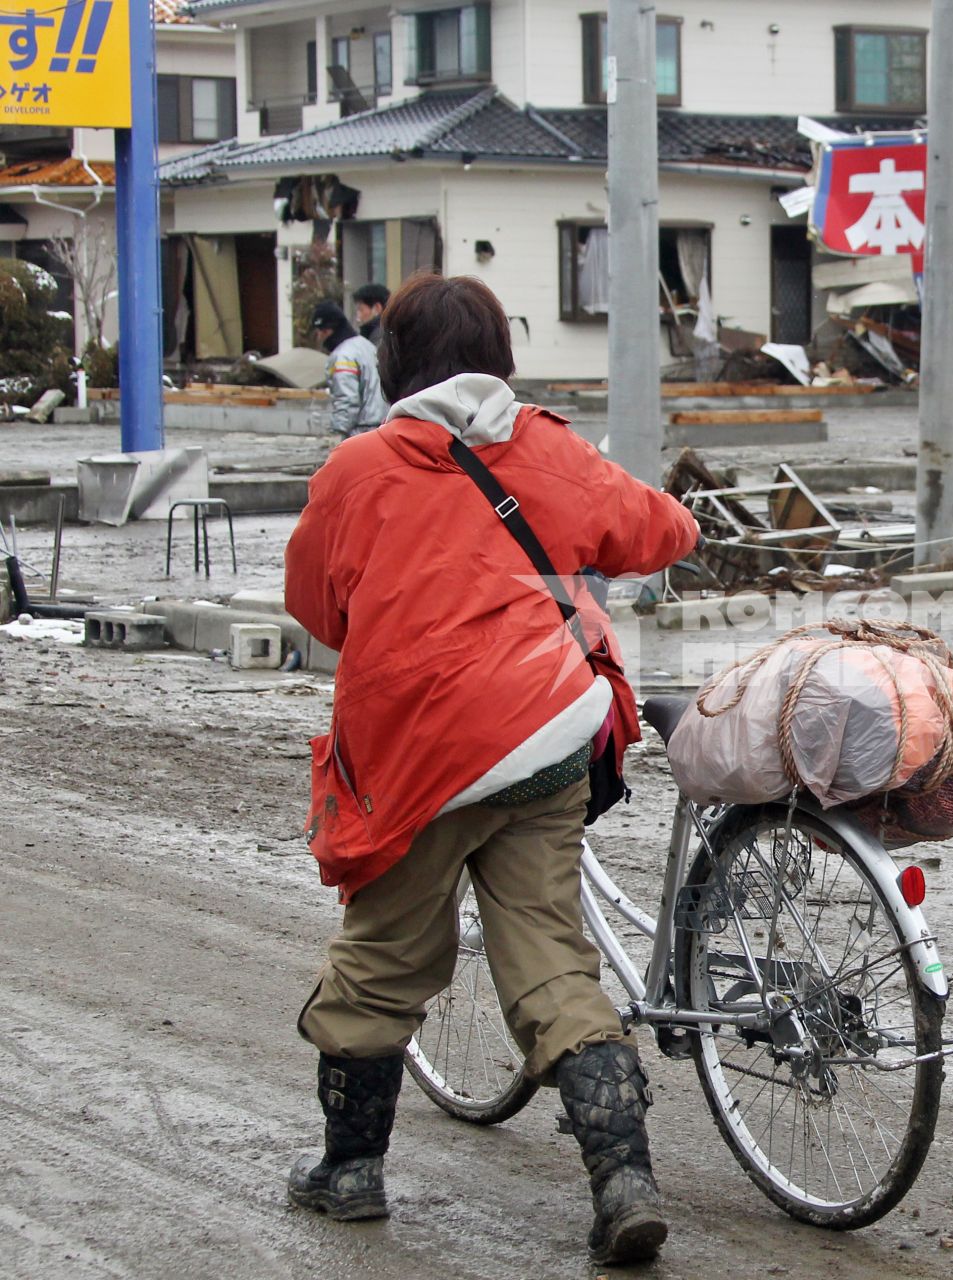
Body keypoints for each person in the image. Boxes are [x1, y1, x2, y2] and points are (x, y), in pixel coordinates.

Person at [283, 274, 699, 1266]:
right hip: (546, 737)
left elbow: (315, 603)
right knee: (551, 958)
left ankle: (348, 1171)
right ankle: (624, 1179)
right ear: (501, 357)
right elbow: (663, 532)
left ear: (396, 363)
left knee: (383, 957)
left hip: (421, 756)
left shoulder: (360, 468)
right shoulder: (548, 448)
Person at [311, 299, 388, 438]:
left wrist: (337, 432)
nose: (319, 337)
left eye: (320, 332)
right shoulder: (367, 346)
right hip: (384, 424)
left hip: (362, 430)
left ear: (326, 330)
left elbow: (347, 400)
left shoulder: (343, 356)